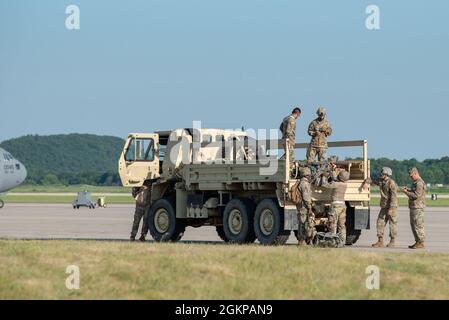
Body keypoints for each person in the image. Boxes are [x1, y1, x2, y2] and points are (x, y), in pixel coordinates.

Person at [321, 170, 350, 247]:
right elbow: (335, 181)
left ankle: (332, 241)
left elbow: (325, 184)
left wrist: (324, 176)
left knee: (333, 224)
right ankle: (342, 241)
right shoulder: (344, 184)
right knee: (342, 225)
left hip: (335, 206)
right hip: (343, 205)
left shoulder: (336, 184)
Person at [371, 167, 398, 248]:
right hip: (384, 206)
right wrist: (368, 181)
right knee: (380, 222)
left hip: (391, 206)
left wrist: (391, 208)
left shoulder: (391, 183)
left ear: (387, 174)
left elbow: (394, 196)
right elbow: (375, 182)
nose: (381, 174)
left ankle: (392, 241)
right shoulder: (382, 181)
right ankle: (380, 241)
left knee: (392, 223)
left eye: (383, 173)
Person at [401, 167, 426, 249]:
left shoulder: (419, 183)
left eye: (412, 176)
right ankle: (417, 241)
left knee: (418, 225)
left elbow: (416, 195)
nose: (411, 178)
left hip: (417, 207)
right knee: (413, 225)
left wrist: (406, 192)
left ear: (416, 173)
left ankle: (421, 242)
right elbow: (414, 191)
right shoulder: (415, 182)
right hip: (414, 207)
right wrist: (408, 190)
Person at [296, 167, 315, 246]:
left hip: (301, 206)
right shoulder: (305, 184)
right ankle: (302, 241)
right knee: (303, 223)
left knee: (303, 223)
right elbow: (306, 197)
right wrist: (310, 207)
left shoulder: (300, 182)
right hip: (304, 207)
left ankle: (303, 240)